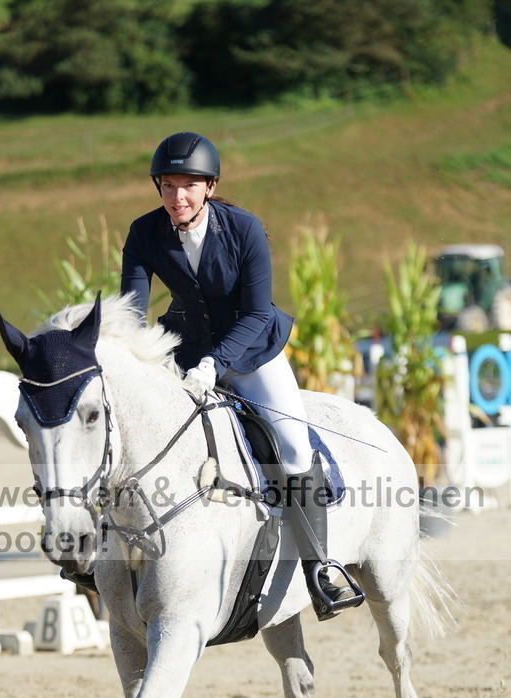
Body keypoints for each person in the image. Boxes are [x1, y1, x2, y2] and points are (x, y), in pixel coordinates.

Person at [120, 131, 363, 620]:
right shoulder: (144, 232)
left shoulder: (243, 228)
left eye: (189, 186)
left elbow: (256, 313)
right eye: (168, 186)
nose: (177, 196)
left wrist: (216, 363)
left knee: (292, 446)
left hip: (251, 350)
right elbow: (131, 312)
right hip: (184, 348)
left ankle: (321, 568)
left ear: (210, 187)